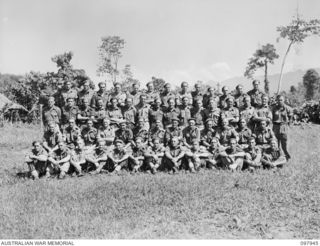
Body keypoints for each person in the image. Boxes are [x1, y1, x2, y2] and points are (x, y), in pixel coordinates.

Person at [272, 95, 293, 160]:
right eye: (278, 100)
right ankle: (277, 157)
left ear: (284, 100)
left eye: (281, 100)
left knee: (285, 144)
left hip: (284, 127)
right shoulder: (274, 108)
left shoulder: (288, 108)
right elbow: (271, 117)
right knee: (276, 144)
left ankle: (287, 157)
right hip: (275, 127)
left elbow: (291, 119)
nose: (280, 101)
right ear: (277, 101)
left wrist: (289, 126)